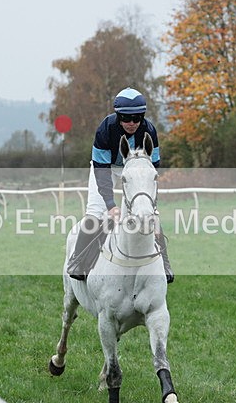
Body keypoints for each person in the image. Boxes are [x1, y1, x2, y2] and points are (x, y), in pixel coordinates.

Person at [67, 87, 174, 283]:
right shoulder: (105, 129)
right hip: (105, 169)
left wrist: (148, 196)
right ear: (118, 116)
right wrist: (110, 204)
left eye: (137, 118)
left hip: (136, 170)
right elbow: (101, 171)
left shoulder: (149, 130)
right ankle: (77, 261)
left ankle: (165, 264)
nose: (132, 123)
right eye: (126, 118)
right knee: (95, 213)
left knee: (152, 215)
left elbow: (153, 167)